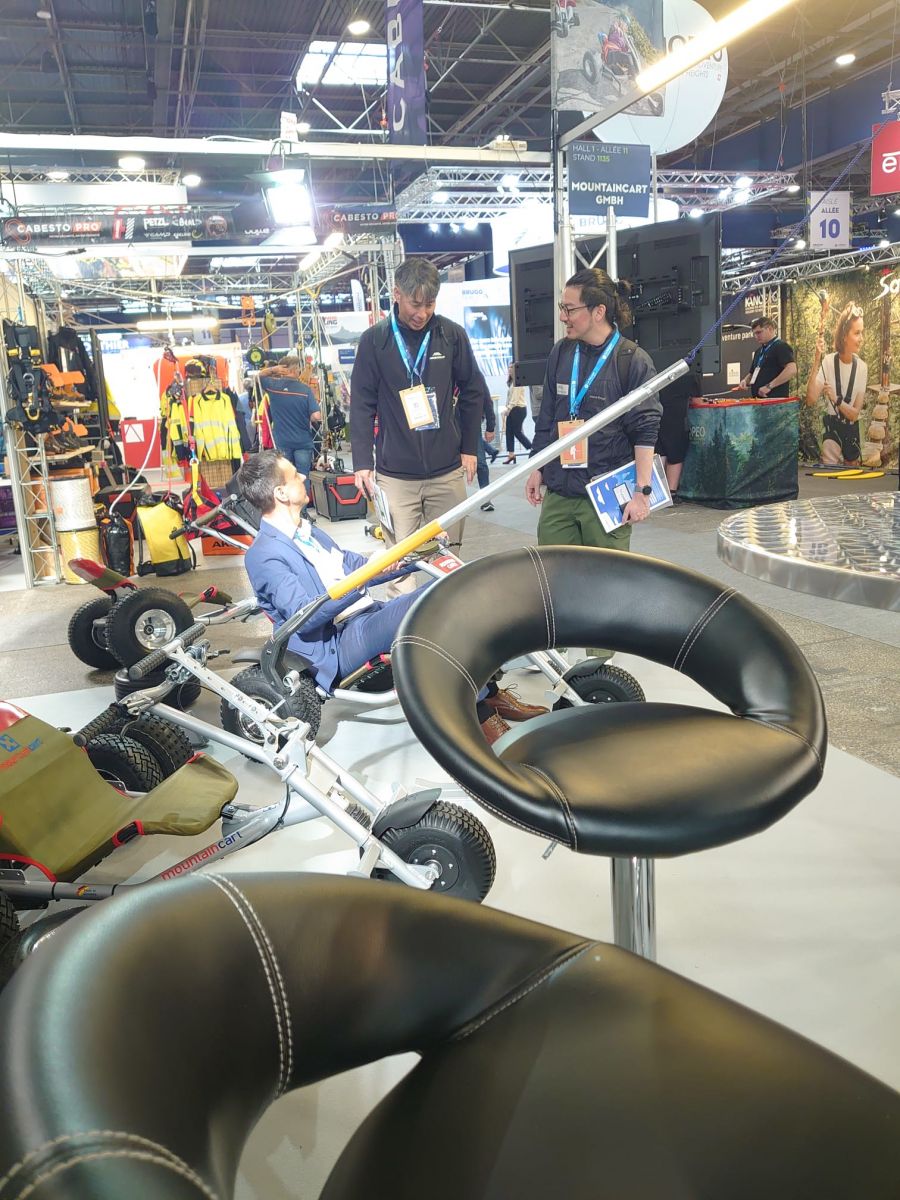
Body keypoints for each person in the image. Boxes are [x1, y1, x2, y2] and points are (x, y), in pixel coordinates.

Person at [238, 451, 548, 744]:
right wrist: (359, 582)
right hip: (337, 641)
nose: (304, 477)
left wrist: (412, 555)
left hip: (364, 617)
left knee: (456, 585)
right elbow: (304, 617)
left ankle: (488, 692)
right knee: (437, 603)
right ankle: (480, 716)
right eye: (294, 476)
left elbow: (357, 566)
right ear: (280, 493)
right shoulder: (265, 555)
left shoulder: (309, 532)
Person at [525, 268, 661, 654]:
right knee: (553, 580)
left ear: (598, 311)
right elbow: (548, 417)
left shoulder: (631, 360)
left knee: (606, 584)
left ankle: (599, 666)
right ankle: (555, 654)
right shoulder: (561, 353)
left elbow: (646, 431)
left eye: (570, 309)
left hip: (606, 495)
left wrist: (642, 492)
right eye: (561, 307)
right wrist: (537, 467)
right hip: (560, 490)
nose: (563, 316)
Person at [350, 258, 490, 594]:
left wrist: (470, 448)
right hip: (396, 477)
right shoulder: (375, 341)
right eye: (416, 304)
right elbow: (362, 404)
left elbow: (473, 391)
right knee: (399, 569)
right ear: (397, 294)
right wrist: (362, 463)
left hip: (447, 471)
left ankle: (449, 620)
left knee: (450, 564)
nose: (422, 313)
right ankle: (402, 624)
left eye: (430, 304)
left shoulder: (451, 335)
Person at [805, 302, 866, 466]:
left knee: (852, 470)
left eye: (862, 332)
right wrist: (816, 358)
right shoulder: (828, 361)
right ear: (844, 336)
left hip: (851, 431)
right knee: (830, 465)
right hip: (832, 429)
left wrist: (836, 399)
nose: (861, 338)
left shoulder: (862, 368)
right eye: (857, 333)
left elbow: (854, 414)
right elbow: (810, 399)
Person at [259, 357, 321, 482]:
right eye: (298, 369)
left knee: (285, 477)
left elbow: (260, 376)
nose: (299, 371)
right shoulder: (305, 390)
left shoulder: (273, 386)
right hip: (303, 441)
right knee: (303, 476)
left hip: (282, 441)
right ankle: (303, 495)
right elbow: (316, 416)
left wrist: (273, 369)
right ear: (294, 370)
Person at [656, 372, 701, 500]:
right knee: (675, 454)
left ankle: (658, 493)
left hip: (656, 414)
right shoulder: (689, 373)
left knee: (659, 452)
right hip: (676, 417)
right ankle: (671, 492)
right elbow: (697, 400)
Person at [736, 317, 797, 398]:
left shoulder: (781, 346)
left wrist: (769, 386)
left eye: (759, 332)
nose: (756, 336)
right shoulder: (758, 351)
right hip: (758, 399)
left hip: (775, 400)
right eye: (754, 333)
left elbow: (791, 369)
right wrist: (745, 381)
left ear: (770, 329)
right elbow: (752, 373)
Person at [502, 368, 533, 463]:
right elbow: (510, 397)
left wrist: (508, 408)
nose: (509, 369)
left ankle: (532, 448)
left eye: (512, 367)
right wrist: (507, 407)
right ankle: (511, 455)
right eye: (509, 367)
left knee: (517, 431)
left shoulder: (518, 382)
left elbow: (515, 399)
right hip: (513, 409)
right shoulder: (512, 382)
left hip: (518, 409)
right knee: (509, 431)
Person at [477, 392, 499, 511]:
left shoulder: (474, 379)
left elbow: (486, 399)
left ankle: (485, 499)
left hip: (472, 423)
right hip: (450, 424)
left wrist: (490, 426)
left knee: (481, 464)